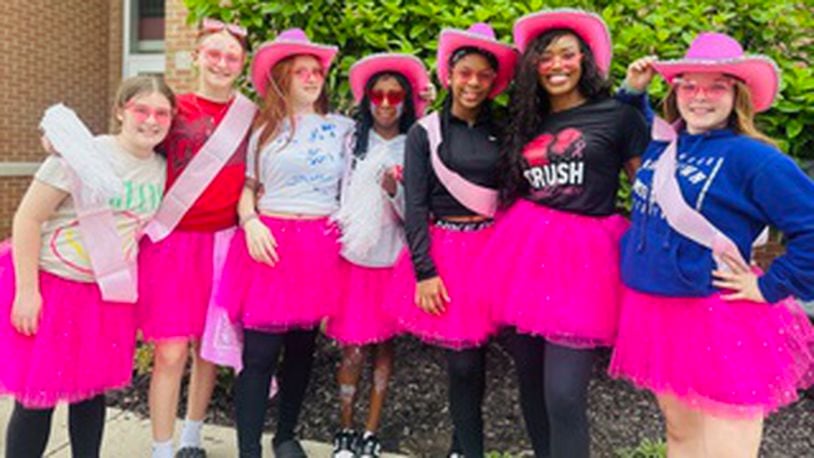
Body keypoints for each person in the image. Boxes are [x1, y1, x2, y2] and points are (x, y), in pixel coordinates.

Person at [609, 32, 814, 457]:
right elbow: (634, 126)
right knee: (682, 439)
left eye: (716, 86)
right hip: (657, 314)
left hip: (720, 319)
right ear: (676, 92)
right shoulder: (669, 143)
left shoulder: (754, 158)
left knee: (725, 451)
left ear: (736, 94)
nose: (700, 97)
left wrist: (770, 286)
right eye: (689, 85)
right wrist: (632, 94)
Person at [484, 9, 649, 458]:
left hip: (585, 263)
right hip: (526, 256)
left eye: (567, 55)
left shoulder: (617, 116)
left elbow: (648, 191)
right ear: (532, 66)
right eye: (545, 57)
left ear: (585, 61)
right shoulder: (525, 124)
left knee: (564, 393)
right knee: (531, 386)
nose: (556, 65)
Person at [0, 75, 172, 458]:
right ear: (119, 112)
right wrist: (28, 293)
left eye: (162, 113)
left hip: (102, 295)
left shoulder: (162, 167)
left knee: (89, 395)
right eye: (140, 109)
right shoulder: (83, 155)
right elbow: (27, 219)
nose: (151, 120)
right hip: (51, 286)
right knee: (36, 398)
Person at [218, 28, 354, 458]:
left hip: (319, 245)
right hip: (268, 243)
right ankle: (248, 449)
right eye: (302, 72)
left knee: (301, 350)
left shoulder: (343, 129)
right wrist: (250, 219)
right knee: (259, 354)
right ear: (283, 77)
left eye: (317, 72)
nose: (312, 79)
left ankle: (286, 436)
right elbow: (248, 186)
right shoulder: (263, 130)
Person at [385, 23, 517, 458]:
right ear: (449, 75)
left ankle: (463, 447)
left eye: (483, 76)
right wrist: (425, 271)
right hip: (446, 251)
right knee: (461, 363)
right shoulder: (425, 132)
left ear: (493, 82)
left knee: (479, 360)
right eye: (466, 74)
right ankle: (470, 450)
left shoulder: (505, 129)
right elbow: (416, 205)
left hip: (491, 250)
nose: (474, 83)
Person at [136, 18, 255, 458]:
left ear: (241, 65)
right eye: (214, 53)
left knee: (210, 348)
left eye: (231, 56)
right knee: (170, 351)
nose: (222, 62)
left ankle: (191, 438)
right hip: (171, 243)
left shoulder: (252, 116)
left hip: (223, 245)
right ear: (196, 57)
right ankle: (162, 448)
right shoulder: (171, 107)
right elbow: (129, 143)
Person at [327, 52, 431, 458]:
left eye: (395, 95)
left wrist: (393, 190)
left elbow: (417, 210)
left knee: (385, 348)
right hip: (352, 260)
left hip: (393, 261)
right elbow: (334, 195)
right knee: (351, 348)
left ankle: (371, 432)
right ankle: (345, 429)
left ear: (406, 102)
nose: (386, 103)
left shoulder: (415, 142)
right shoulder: (351, 140)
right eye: (378, 94)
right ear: (367, 98)